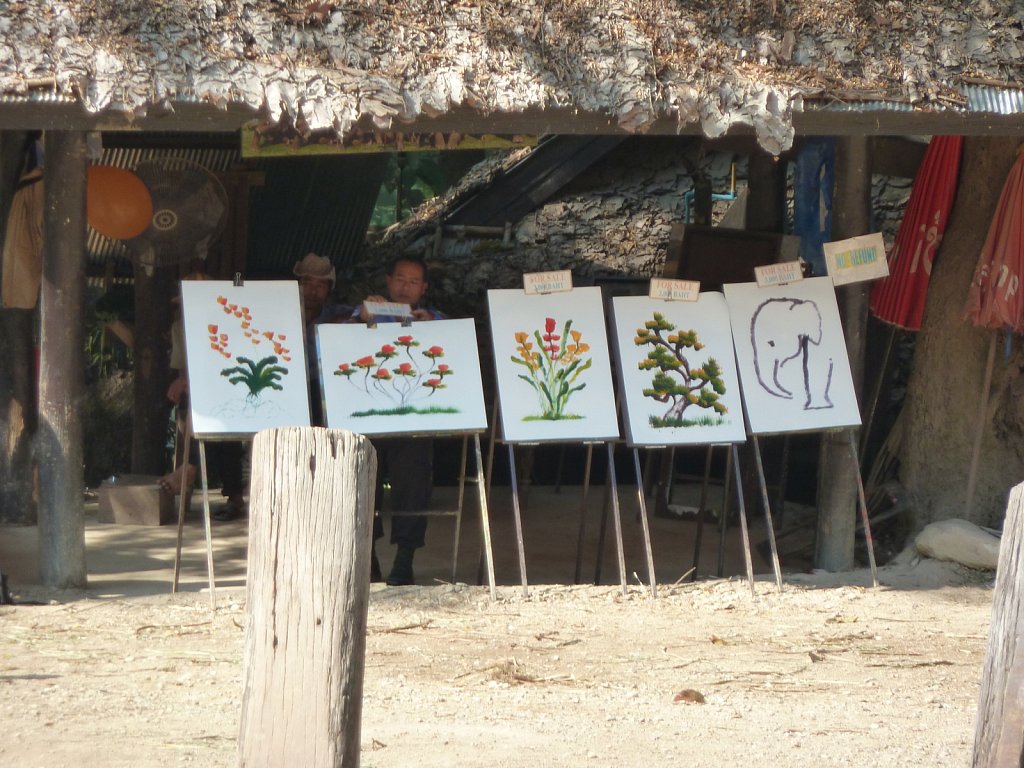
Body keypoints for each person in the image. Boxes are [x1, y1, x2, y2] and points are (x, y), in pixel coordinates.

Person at [352, 256, 444, 585]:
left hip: (414, 422)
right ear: (389, 282)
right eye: (400, 279)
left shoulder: (433, 319)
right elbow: (337, 342)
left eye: (413, 281)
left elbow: (449, 345)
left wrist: (428, 324)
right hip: (369, 420)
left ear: (424, 288)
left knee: (413, 486)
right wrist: (364, 319)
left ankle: (405, 558)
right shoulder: (366, 313)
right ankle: (369, 557)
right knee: (363, 486)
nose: (405, 287)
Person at [160, 272, 247, 521]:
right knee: (191, 409)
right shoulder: (181, 326)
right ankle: (191, 468)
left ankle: (190, 468)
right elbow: (183, 366)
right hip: (200, 391)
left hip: (230, 387)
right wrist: (184, 382)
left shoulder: (228, 324)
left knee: (220, 419)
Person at [293, 252, 353, 426]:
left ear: (329, 289)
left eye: (320, 285)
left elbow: (360, 314)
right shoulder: (282, 315)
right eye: (307, 283)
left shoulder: (338, 313)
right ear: (297, 284)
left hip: (323, 389)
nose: (313, 291)